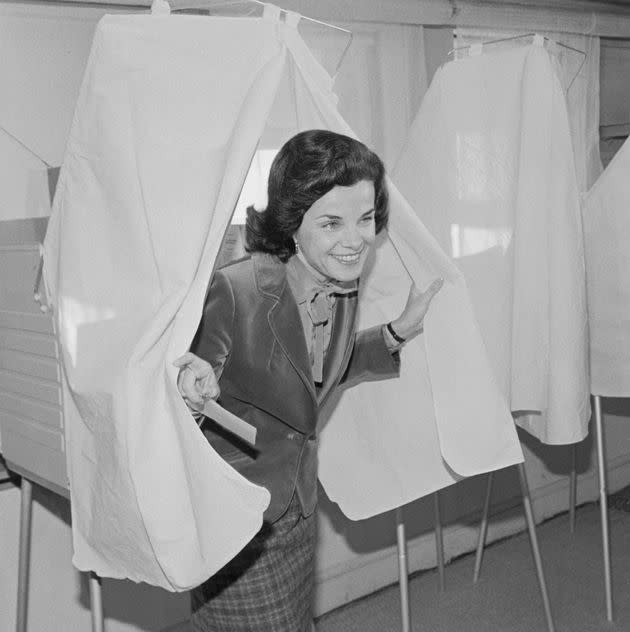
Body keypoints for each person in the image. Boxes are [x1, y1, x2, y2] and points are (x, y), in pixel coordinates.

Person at [175, 129, 442, 631]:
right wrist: (190, 392)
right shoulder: (237, 291)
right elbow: (186, 396)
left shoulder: (340, 281)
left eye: (366, 220)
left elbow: (317, 372)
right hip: (240, 517)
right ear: (292, 224)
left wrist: (396, 333)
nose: (356, 239)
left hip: (298, 503)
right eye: (332, 222)